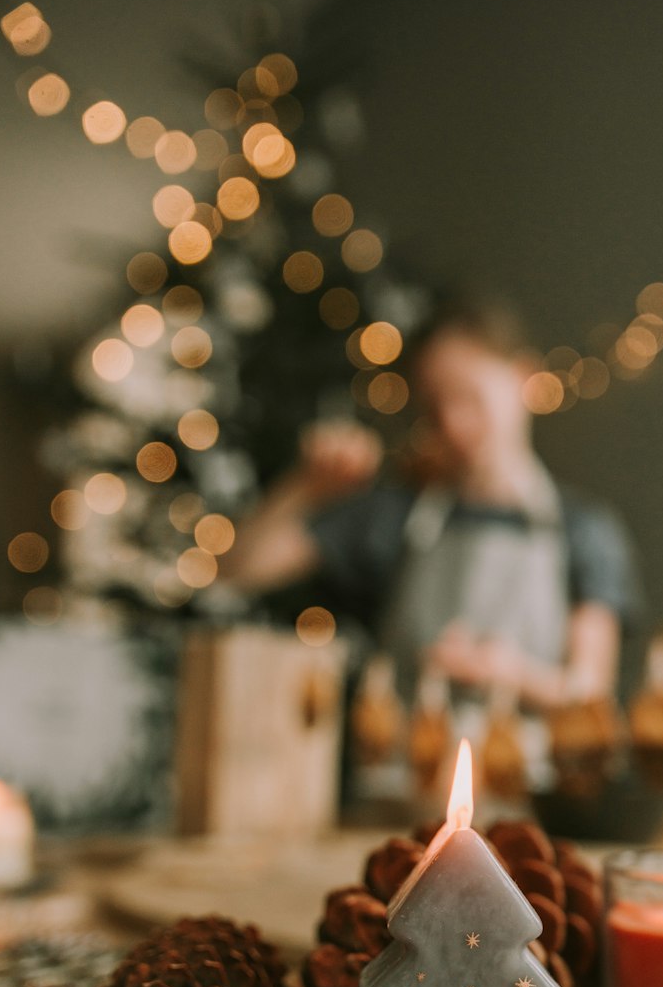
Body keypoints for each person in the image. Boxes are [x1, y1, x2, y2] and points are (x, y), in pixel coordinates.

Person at [224, 298, 641, 712]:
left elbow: (590, 698)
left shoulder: (585, 530)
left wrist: (508, 673)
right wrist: (307, 486)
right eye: (436, 407)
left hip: (527, 775)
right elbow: (239, 570)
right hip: (404, 772)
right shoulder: (393, 516)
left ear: (523, 377)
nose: (454, 423)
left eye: (468, 397)